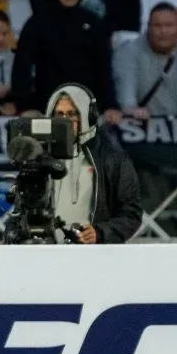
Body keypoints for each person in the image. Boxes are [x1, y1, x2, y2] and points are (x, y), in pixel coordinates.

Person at [45, 84, 142, 243]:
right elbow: (22, 212)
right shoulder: (41, 158)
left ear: (87, 115)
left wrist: (101, 232)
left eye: (72, 114)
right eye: (59, 114)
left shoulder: (114, 159)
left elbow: (131, 214)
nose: (64, 121)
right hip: (44, 253)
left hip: (96, 254)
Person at [14, 0, 118, 118]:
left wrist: (110, 105)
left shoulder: (93, 23)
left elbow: (103, 68)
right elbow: (22, 67)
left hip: (88, 109)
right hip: (46, 108)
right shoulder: (37, 24)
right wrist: (25, 106)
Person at [114, 3, 177, 122]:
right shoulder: (128, 52)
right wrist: (132, 110)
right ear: (148, 27)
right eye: (157, 26)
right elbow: (126, 99)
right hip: (142, 125)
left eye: (169, 25)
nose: (163, 31)